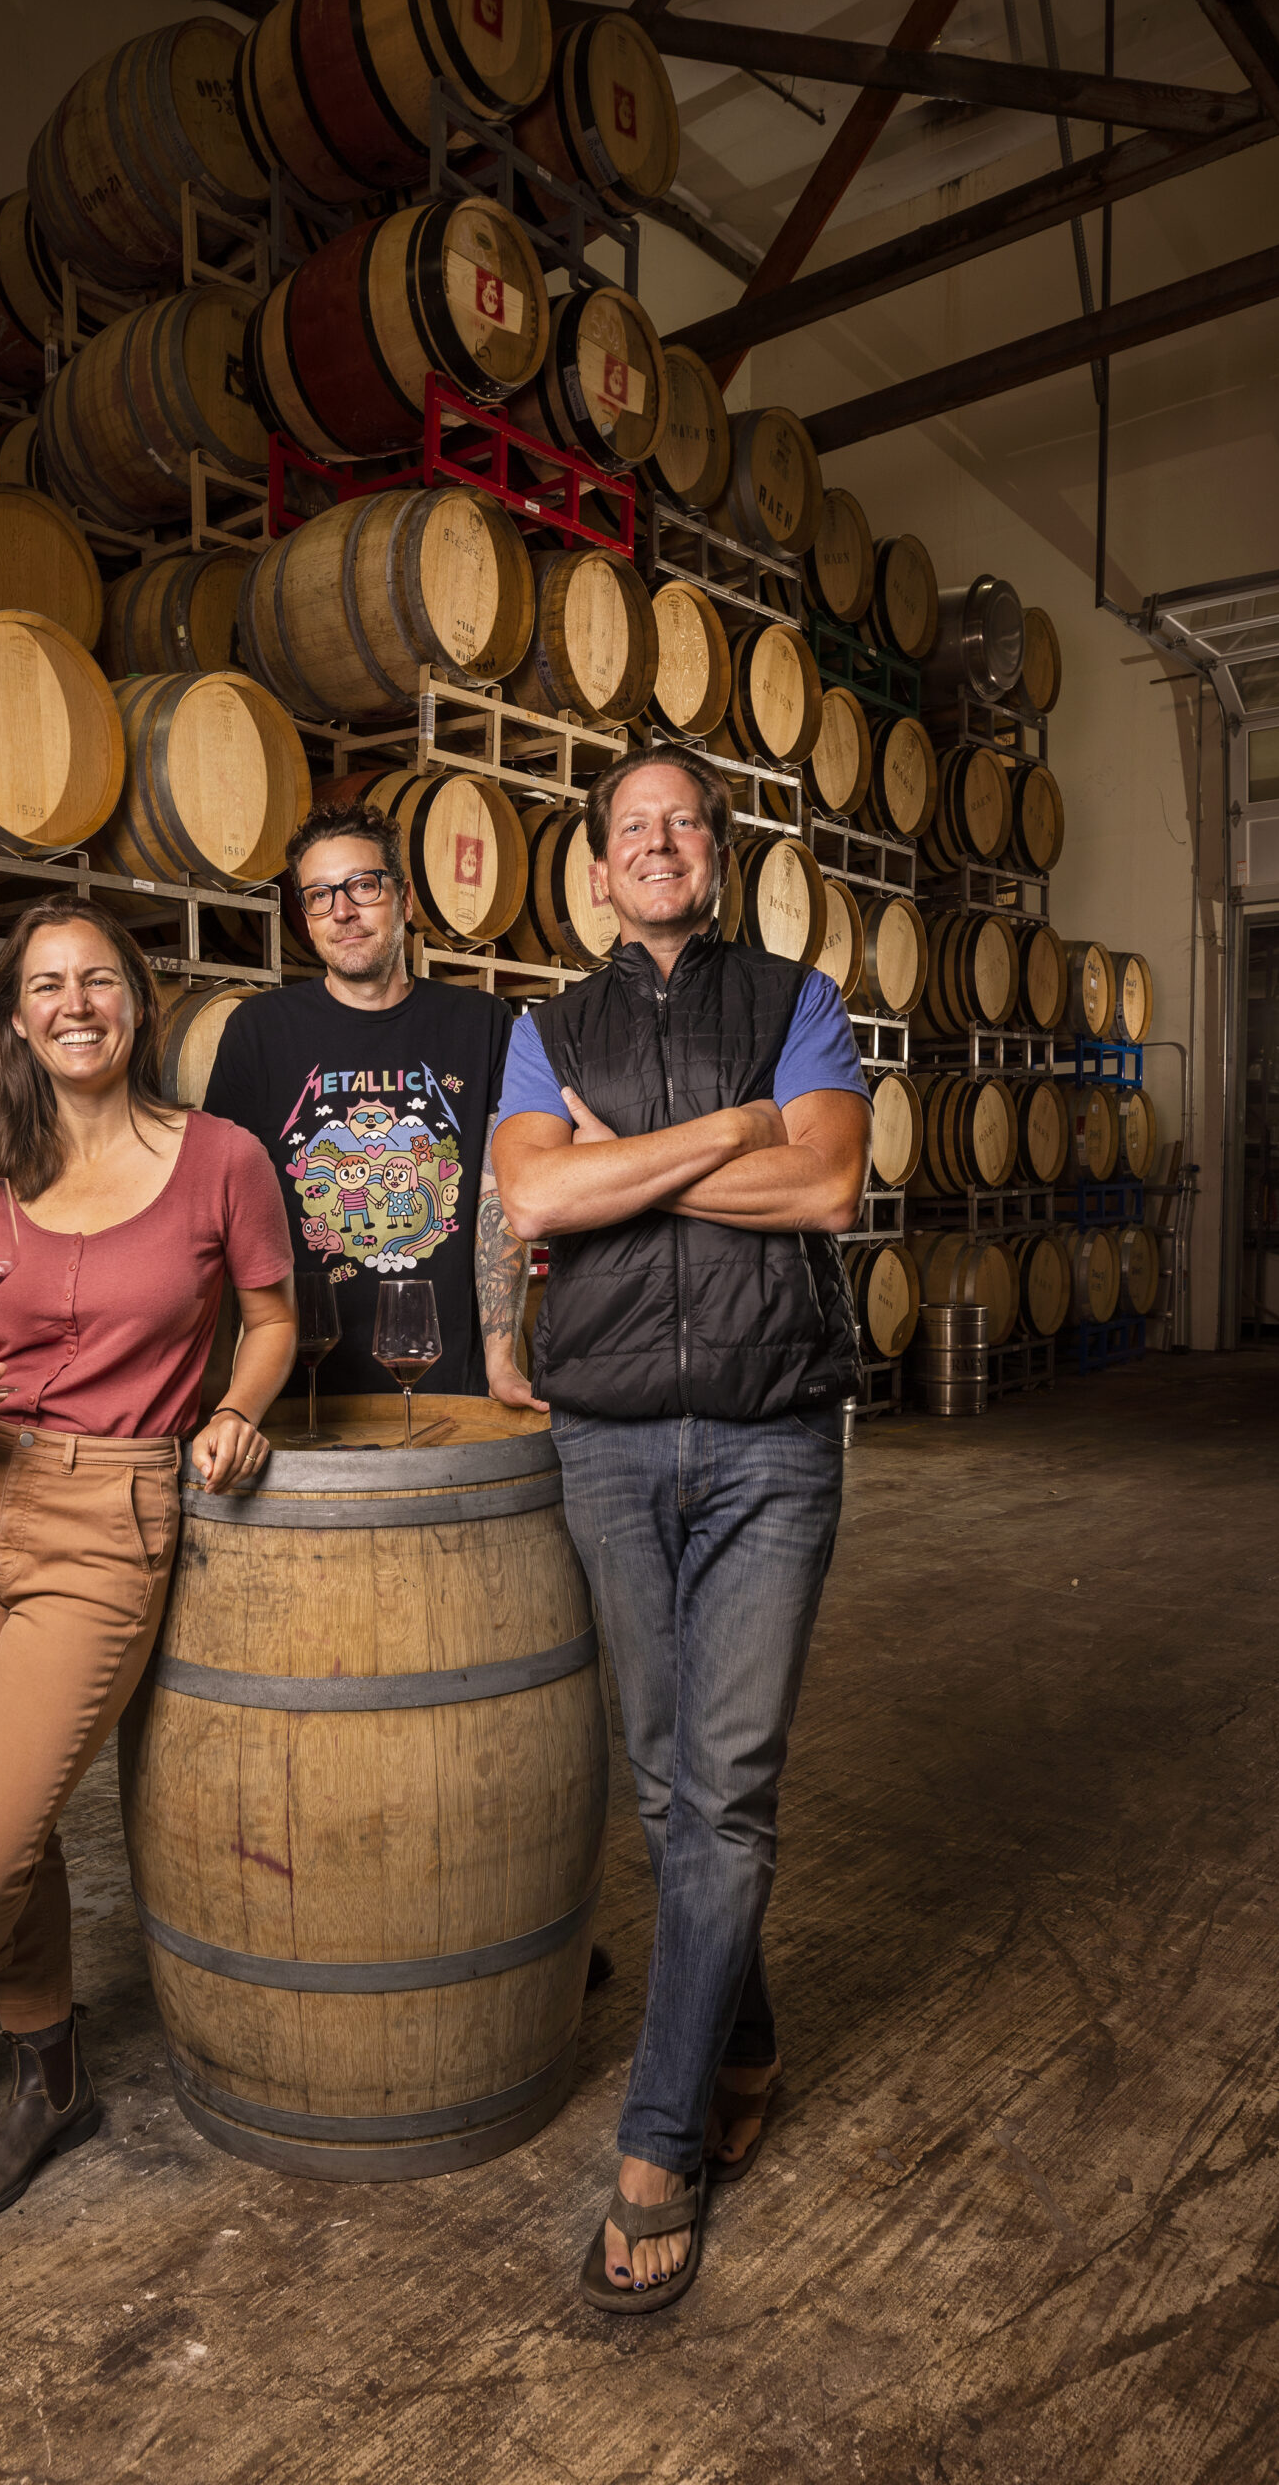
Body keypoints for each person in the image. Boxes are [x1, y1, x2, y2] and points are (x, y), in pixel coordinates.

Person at [492, 747, 870, 2313]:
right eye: (629, 829)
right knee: (667, 1793)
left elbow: (829, 1188)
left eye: (683, 824)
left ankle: (657, 2147)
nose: (658, 845)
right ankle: (748, 2035)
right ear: (593, 872)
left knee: (725, 1797)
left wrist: (622, 1166)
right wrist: (729, 1136)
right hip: (607, 1446)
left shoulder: (796, 998)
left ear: (719, 855)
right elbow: (533, 1207)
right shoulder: (544, 1026)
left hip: (775, 1440)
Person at [0, 893, 297, 2226]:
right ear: (17, 1018)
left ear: (137, 1001)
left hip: (108, 1521)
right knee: (7, 1826)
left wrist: (237, 1408)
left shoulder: (221, 1158)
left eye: (100, 981)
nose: (75, 1005)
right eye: (46, 986)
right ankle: (53, 2078)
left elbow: (271, 1320)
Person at [203, 799, 542, 1413]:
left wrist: (500, 1362)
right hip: (297, 1386)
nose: (343, 912)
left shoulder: (482, 1023)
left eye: (363, 885)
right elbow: (221, 1221)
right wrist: (228, 1395)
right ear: (306, 917)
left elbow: (500, 1196)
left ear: (405, 901)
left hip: (449, 1382)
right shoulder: (258, 1031)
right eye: (319, 894)